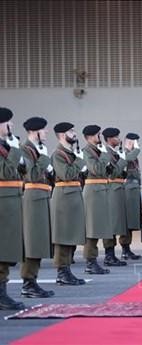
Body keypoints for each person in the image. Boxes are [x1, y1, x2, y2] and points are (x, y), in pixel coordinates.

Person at [20, 116, 55, 298]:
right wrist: (43, 158)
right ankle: (28, 282)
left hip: (41, 197)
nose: (46, 132)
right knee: (33, 241)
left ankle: (32, 279)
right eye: (44, 129)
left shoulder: (36, 149)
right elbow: (32, 175)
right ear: (35, 131)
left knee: (39, 240)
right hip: (32, 198)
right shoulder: (25, 150)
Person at [50, 122, 87, 285]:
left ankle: (66, 270)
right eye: (71, 131)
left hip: (72, 195)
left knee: (69, 234)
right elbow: (66, 174)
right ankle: (61, 271)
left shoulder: (69, 152)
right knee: (63, 235)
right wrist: (79, 162)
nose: (74, 133)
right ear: (62, 135)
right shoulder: (58, 154)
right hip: (64, 196)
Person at [0, 107, 26, 310]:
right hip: (3, 201)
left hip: (9, 200)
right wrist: (15, 150)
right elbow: (7, 172)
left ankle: (3, 292)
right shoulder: (6, 147)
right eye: (9, 123)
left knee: (6, 247)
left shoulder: (4, 145)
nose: (12, 126)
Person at [101, 127, 139, 266]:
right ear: (109, 139)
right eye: (116, 137)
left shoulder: (117, 152)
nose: (119, 139)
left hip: (120, 189)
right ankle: (109, 254)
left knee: (122, 222)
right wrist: (133, 151)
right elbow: (113, 172)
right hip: (111, 189)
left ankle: (124, 249)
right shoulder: (105, 153)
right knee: (111, 223)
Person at [81, 125, 111, 275]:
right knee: (92, 229)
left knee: (97, 227)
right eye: (98, 134)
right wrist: (105, 155)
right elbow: (96, 169)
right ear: (91, 136)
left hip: (100, 191)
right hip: (93, 192)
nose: (100, 136)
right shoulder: (87, 151)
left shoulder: (96, 150)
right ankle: (90, 262)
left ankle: (92, 261)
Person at [120, 133, 142, 260]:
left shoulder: (133, 156)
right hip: (126, 191)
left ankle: (127, 249)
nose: (136, 145)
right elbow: (127, 159)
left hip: (133, 190)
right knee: (126, 221)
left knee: (132, 222)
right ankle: (125, 249)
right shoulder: (124, 153)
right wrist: (137, 149)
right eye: (134, 142)